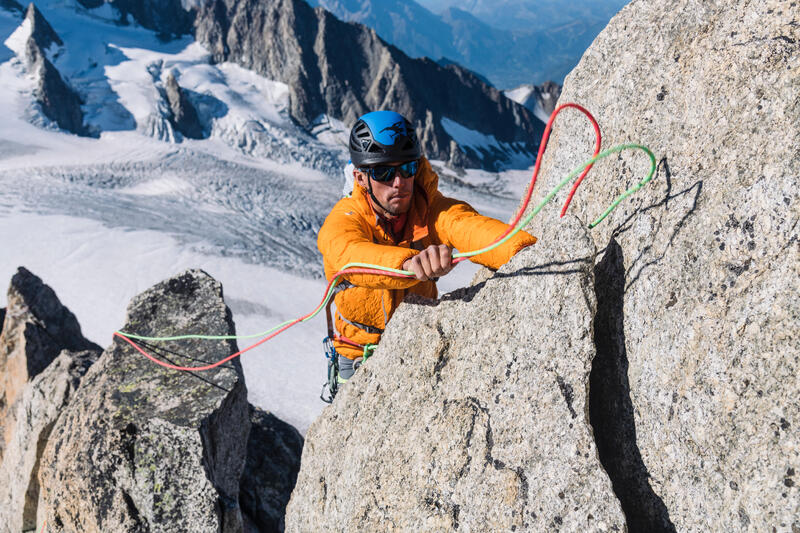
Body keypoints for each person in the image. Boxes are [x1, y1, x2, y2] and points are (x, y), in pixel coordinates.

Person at [318, 110, 536, 384]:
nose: (399, 183)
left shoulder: (430, 209)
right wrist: (409, 264)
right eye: (384, 172)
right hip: (358, 354)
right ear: (361, 178)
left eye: (407, 169)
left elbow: (466, 226)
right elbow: (346, 254)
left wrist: (527, 250)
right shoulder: (347, 217)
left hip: (418, 346)